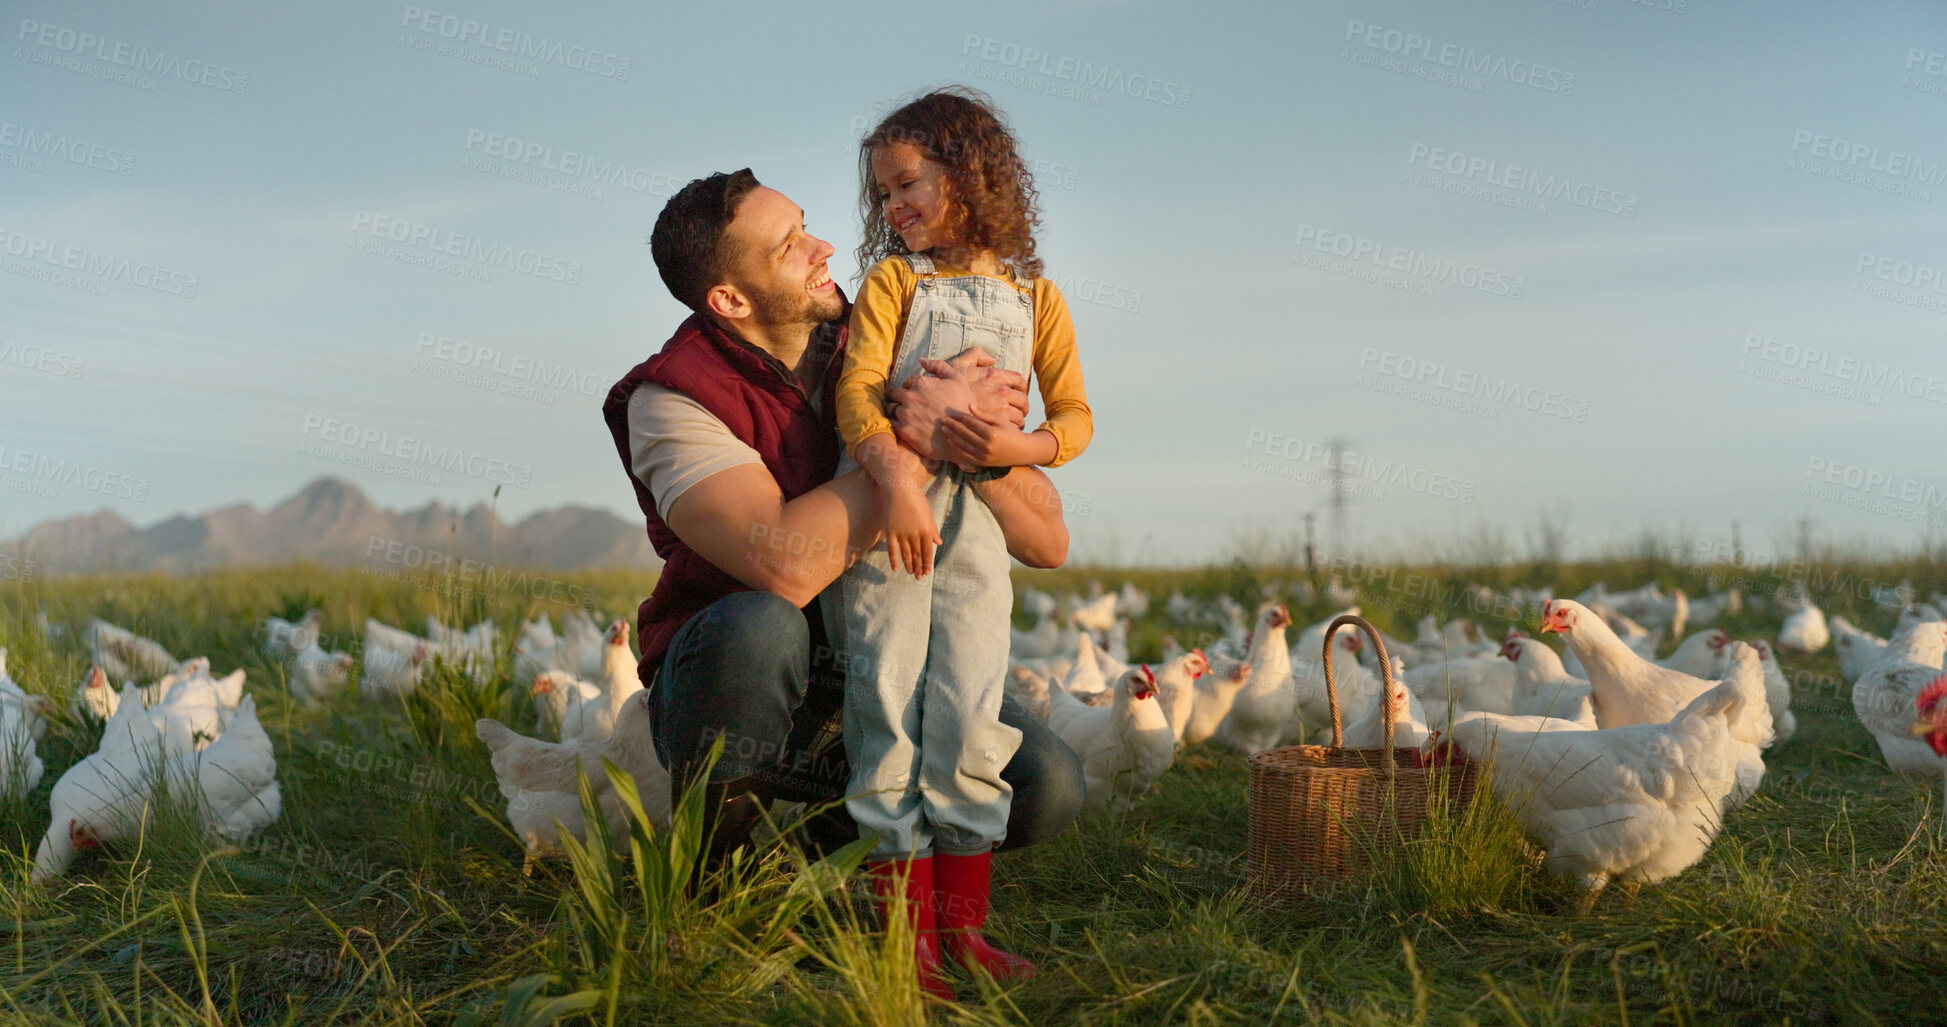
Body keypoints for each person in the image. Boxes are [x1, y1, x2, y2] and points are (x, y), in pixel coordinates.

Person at [599, 169, 1085, 915]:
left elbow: (1047, 539)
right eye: (789, 245)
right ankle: (718, 877)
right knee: (755, 627)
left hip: (883, 657)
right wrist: (922, 439)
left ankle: (812, 856)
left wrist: (977, 440)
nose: (823, 245)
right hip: (749, 688)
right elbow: (781, 562)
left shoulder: (890, 332)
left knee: (1048, 785)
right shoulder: (671, 397)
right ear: (729, 300)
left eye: (806, 225)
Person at [828, 87, 1093, 993]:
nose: (893, 208)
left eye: (907, 185)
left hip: (978, 530)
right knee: (888, 708)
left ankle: (964, 934)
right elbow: (857, 390)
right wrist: (895, 480)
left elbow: (1077, 415)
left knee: (971, 713)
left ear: (972, 175)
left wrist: (1017, 448)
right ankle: (905, 947)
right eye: (882, 196)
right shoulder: (895, 284)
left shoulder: (1038, 297)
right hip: (889, 525)